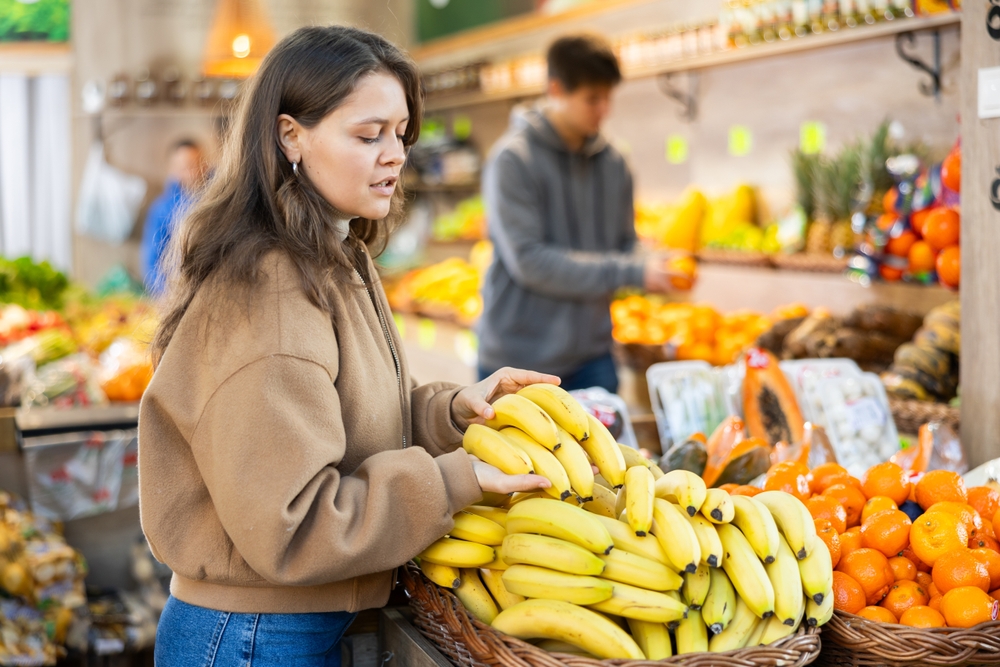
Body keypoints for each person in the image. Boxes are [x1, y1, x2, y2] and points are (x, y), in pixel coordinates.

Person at [141, 26, 554, 667]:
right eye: (368, 136)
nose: (395, 156)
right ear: (290, 137)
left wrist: (451, 413)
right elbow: (295, 521)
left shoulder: (333, 256)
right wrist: (455, 480)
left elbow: (336, 424)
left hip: (280, 625)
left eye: (401, 135)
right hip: (249, 638)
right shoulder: (272, 291)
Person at [478, 34, 676, 394]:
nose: (604, 110)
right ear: (556, 89)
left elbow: (624, 242)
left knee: (606, 452)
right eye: (592, 99)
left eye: (607, 98)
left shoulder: (614, 162)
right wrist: (633, 270)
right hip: (517, 360)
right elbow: (531, 262)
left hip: (593, 356)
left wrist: (655, 264)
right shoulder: (512, 160)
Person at [139, 139, 207, 295]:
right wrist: (164, 294)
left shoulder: (219, 201)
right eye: (186, 167)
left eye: (197, 164)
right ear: (173, 170)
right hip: (176, 291)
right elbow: (151, 259)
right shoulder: (161, 209)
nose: (194, 171)